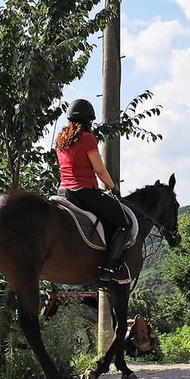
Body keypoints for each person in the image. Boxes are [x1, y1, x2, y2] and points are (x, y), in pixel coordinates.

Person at [55, 98, 132, 283]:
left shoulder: (61, 140)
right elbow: (99, 169)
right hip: (84, 192)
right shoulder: (87, 138)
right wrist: (113, 187)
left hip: (63, 192)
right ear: (89, 119)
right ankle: (109, 268)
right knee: (125, 224)